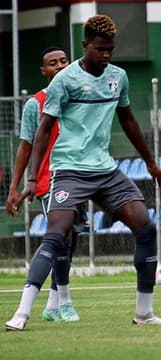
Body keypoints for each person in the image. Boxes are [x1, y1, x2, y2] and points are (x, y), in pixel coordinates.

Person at [5, 14, 161, 331]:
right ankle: (22, 313)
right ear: (86, 45)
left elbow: (129, 121)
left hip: (106, 171)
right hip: (69, 171)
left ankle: (145, 313)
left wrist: (150, 162)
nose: (107, 55)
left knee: (145, 227)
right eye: (100, 49)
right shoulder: (64, 81)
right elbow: (42, 132)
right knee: (56, 236)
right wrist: (28, 180)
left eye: (111, 49)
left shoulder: (117, 77)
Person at [5, 46, 87, 324]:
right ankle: (64, 302)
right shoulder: (35, 104)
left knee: (71, 240)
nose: (61, 66)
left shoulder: (80, 99)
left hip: (80, 176)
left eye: (64, 61)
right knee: (59, 237)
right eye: (53, 63)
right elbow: (25, 147)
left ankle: (53, 304)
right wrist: (14, 188)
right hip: (48, 181)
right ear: (44, 71)